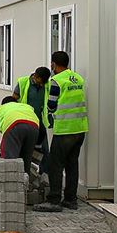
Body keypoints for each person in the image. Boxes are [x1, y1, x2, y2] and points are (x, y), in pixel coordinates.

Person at [34, 51, 88, 213]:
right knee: (72, 164)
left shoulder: (56, 81)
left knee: (55, 164)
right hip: (80, 128)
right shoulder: (77, 78)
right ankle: (70, 199)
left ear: (54, 64)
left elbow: (51, 105)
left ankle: (54, 200)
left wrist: (50, 112)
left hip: (65, 129)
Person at [0, 97, 39, 175]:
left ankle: (10, 186)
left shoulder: (1, 109)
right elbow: (42, 131)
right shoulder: (26, 108)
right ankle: (24, 185)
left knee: (9, 163)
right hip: (34, 127)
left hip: (14, 127)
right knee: (26, 162)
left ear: (3, 104)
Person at [12, 67, 52, 172]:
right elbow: (13, 100)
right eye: (41, 81)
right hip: (24, 122)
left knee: (45, 152)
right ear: (35, 76)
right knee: (23, 150)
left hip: (39, 122)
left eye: (44, 82)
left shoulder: (46, 85)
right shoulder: (23, 82)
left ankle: (43, 176)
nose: (42, 84)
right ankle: (21, 173)